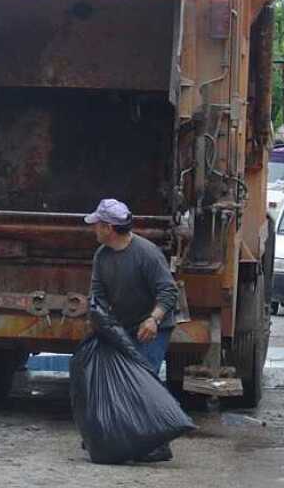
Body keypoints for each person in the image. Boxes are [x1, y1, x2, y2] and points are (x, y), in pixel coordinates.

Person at [85, 197, 179, 462]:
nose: (93, 229)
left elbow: (168, 290)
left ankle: (160, 443)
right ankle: (122, 437)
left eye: (97, 225)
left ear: (108, 228)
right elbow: (98, 292)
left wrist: (153, 319)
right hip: (123, 326)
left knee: (143, 381)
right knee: (119, 380)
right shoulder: (102, 256)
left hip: (153, 326)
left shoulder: (146, 254)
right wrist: (100, 320)